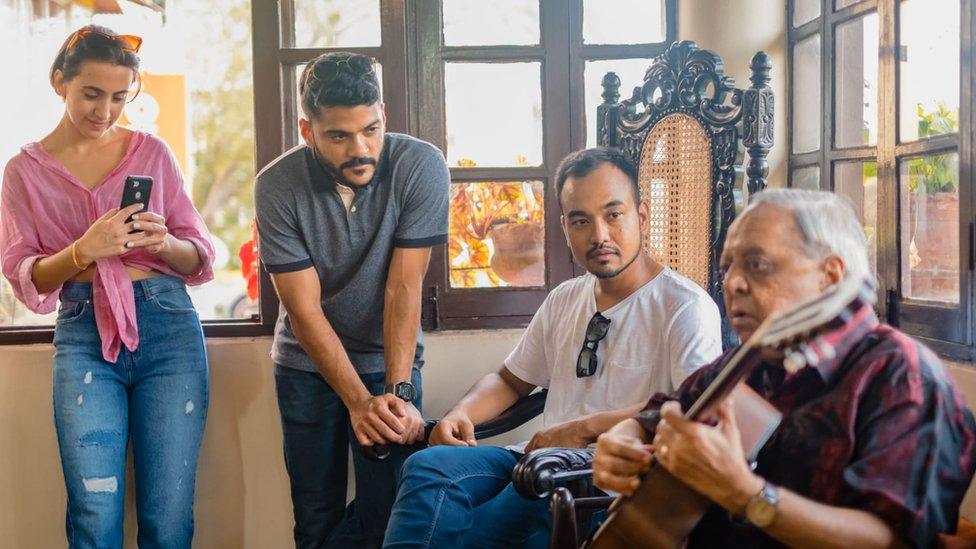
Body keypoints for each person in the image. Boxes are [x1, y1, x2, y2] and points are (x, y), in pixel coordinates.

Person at [592, 188, 976, 547]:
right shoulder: (751, 361)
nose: (733, 284)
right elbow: (658, 414)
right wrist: (623, 438)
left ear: (830, 276)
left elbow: (894, 539)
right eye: (729, 268)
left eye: (757, 264)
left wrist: (744, 494)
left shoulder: (902, 376)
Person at [383, 147, 723, 548]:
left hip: (606, 478)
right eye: (581, 221)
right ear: (564, 227)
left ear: (642, 216)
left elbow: (691, 410)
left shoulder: (684, 306)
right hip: (536, 457)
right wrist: (461, 413)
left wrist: (580, 430)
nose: (599, 236)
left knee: (480, 529)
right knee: (429, 467)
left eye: (613, 215)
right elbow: (510, 381)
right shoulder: (566, 298)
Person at [0, 25, 216, 548]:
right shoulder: (23, 172)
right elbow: (21, 272)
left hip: (168, 328)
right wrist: (82, 251)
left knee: (167, 518)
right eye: (92, 94)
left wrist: (163, 243)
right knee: (94, 513)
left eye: (120, 97)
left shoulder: (153, 154)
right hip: (82, 332)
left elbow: (200, 257)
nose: (105, 111)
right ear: (60, 82)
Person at [253, 51, 449, 547]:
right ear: (307, 130)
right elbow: (302, 309)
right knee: (316, 517)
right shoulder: (276, 186)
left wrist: (397, 394)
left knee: (392, 514)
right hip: (305, 368)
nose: (361, 148)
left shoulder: (420, 166)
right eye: (339, 136)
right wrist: (357, 401)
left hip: (390, 361)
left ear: (384, 115)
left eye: (371, 129)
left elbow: (404, 288)